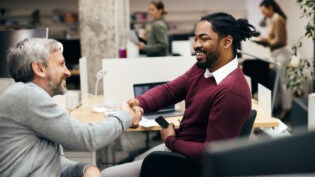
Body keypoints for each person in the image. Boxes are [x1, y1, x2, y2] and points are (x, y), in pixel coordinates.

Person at [101, 12, 256, 177]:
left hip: (188, 164)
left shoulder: (231, 92)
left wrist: (171, 141)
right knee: (136, 161)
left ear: (227, 42)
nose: (196, 45)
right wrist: (139, 103)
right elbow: (169, 91)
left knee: (105, 174)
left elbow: (210, 153)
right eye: (196, 39)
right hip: (180, 150)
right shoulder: (203, 68)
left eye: (204, 38)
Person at [0, 38, 143, 177]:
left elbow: (50, 160)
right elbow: (86, 138)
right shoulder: (26, 95)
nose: (68, 72)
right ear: (39, 68)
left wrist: (82, 169)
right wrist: (126, 116)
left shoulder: (28, 96)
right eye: (61, 64)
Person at [256, 0, 291, 120]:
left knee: (283, 83)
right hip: (276, 54)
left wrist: (265, 41)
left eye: (264, 11)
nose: (264, 14)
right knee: (278, 83)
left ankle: (286, 109)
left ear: (270, 7)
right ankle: (281, 107)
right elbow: (273, 41)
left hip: (282, 54)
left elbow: (280, 40)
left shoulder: (277, 18)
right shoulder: (272, 20)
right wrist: (264, 41)